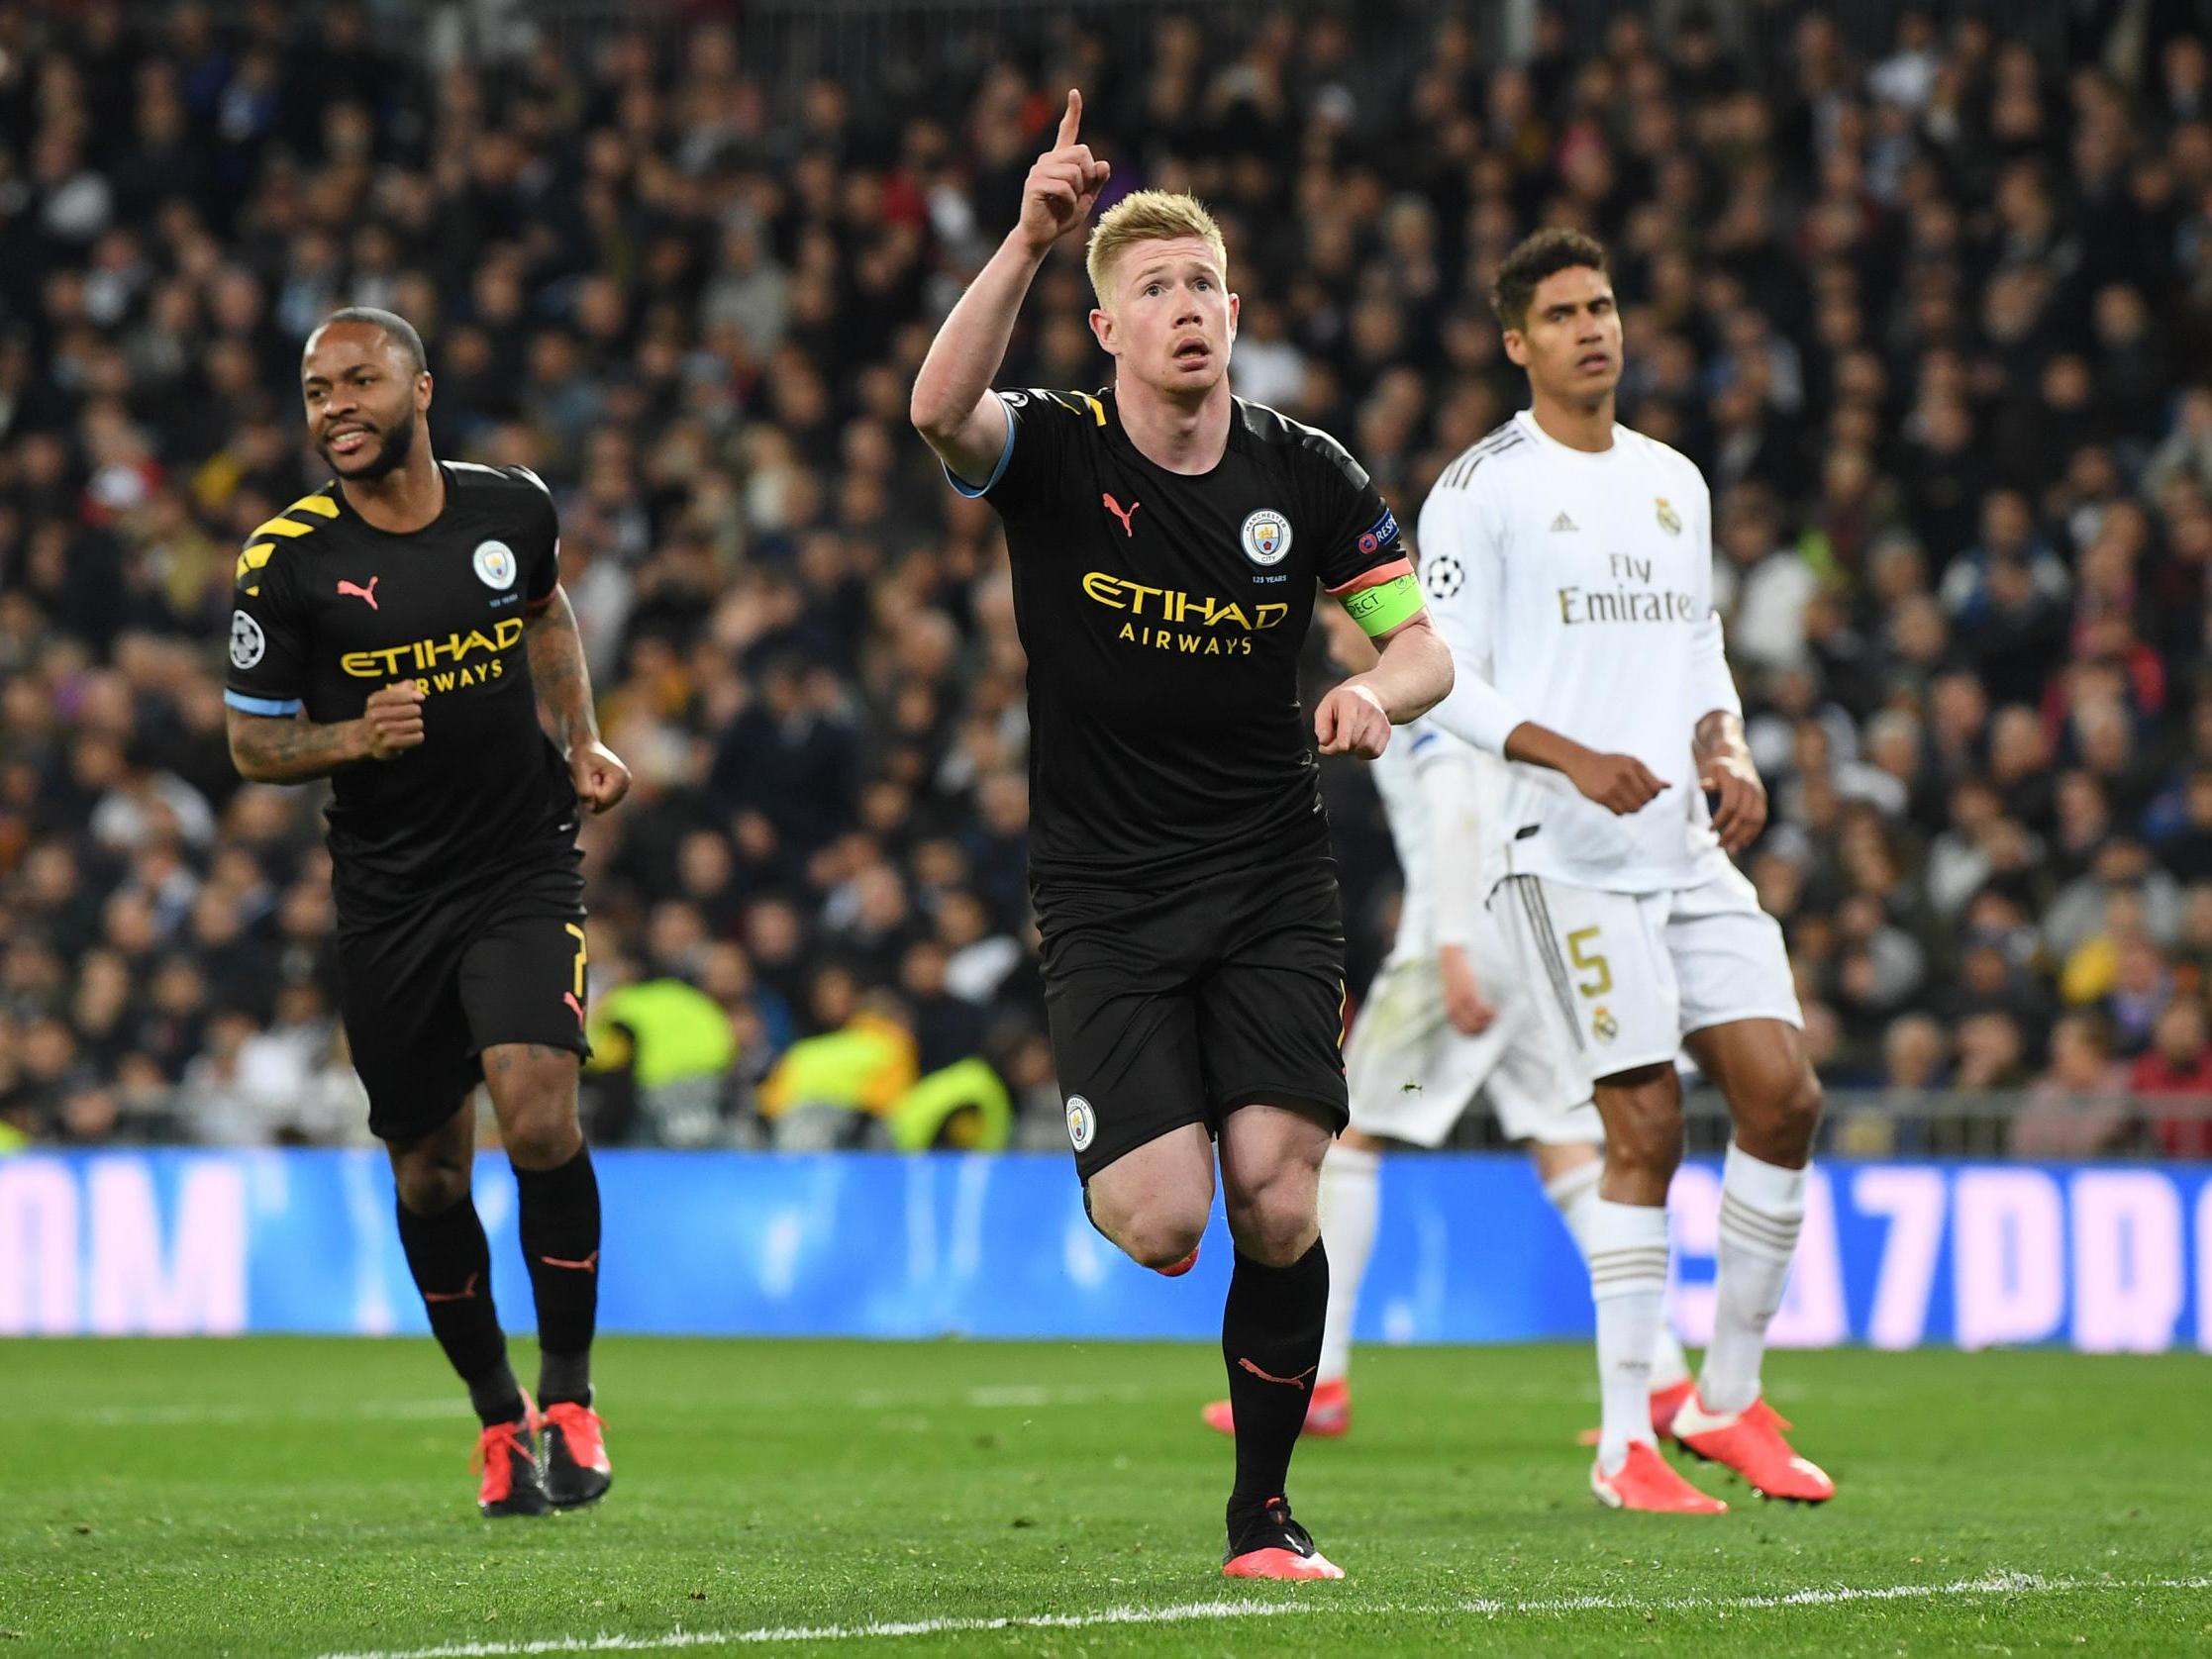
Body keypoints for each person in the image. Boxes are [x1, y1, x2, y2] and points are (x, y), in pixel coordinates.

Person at [909, 92, 1454, 1579]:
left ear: (1235, 310)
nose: (1184, 308)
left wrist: (1373, 692)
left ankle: (1262, 1519)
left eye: (1201, 284)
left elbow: (1423, 647)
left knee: (1277, 1196)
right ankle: (1129, 1121)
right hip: (1102, 891)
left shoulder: (1307, 471)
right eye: (1148, 288)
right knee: (1161, 1223)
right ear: (1105, 328)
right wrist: (1026, 241)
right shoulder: (1057, 453)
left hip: (1273, 880)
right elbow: (937, 414)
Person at [1423, 230, 1833, 1513]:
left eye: (1601, 307)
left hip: (1681, 843)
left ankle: (1723, 1403)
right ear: (1515, 342)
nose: (1592, 329)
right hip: (1562, 851)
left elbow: (1697, 645)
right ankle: (1621, 1446)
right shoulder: (1477, 490)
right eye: (1561, 314)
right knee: (1643, 1126)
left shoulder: (1672, 480)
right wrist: (1570, 757)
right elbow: (1440, 682)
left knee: (1783, 1096)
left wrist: (1730, 744)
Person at [224, 307, 632, 1517]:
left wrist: (584, 734)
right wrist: (354, 733)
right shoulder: (284, 561)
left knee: (541, 1114)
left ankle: (569, 1393)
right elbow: (251, 740)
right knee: (431, 1179)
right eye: (314, 390)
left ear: (420, 387)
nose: (335, 406)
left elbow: (547, 617)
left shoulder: (510, 507)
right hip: (390, 896)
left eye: (358, 380)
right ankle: (499, 1418)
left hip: (519, 861)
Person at [1201, 607, 1693, 1443]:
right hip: (1523, 928)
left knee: (1344, 1143)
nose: (1328, 640)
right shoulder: (1466, 671)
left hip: (1455, 940)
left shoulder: (1417, 689)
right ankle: (1668, 1383)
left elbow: (1458, 807)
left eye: (1335, 621)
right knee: (1569, 1151)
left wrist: (1454, 948)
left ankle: (1321, 1378)